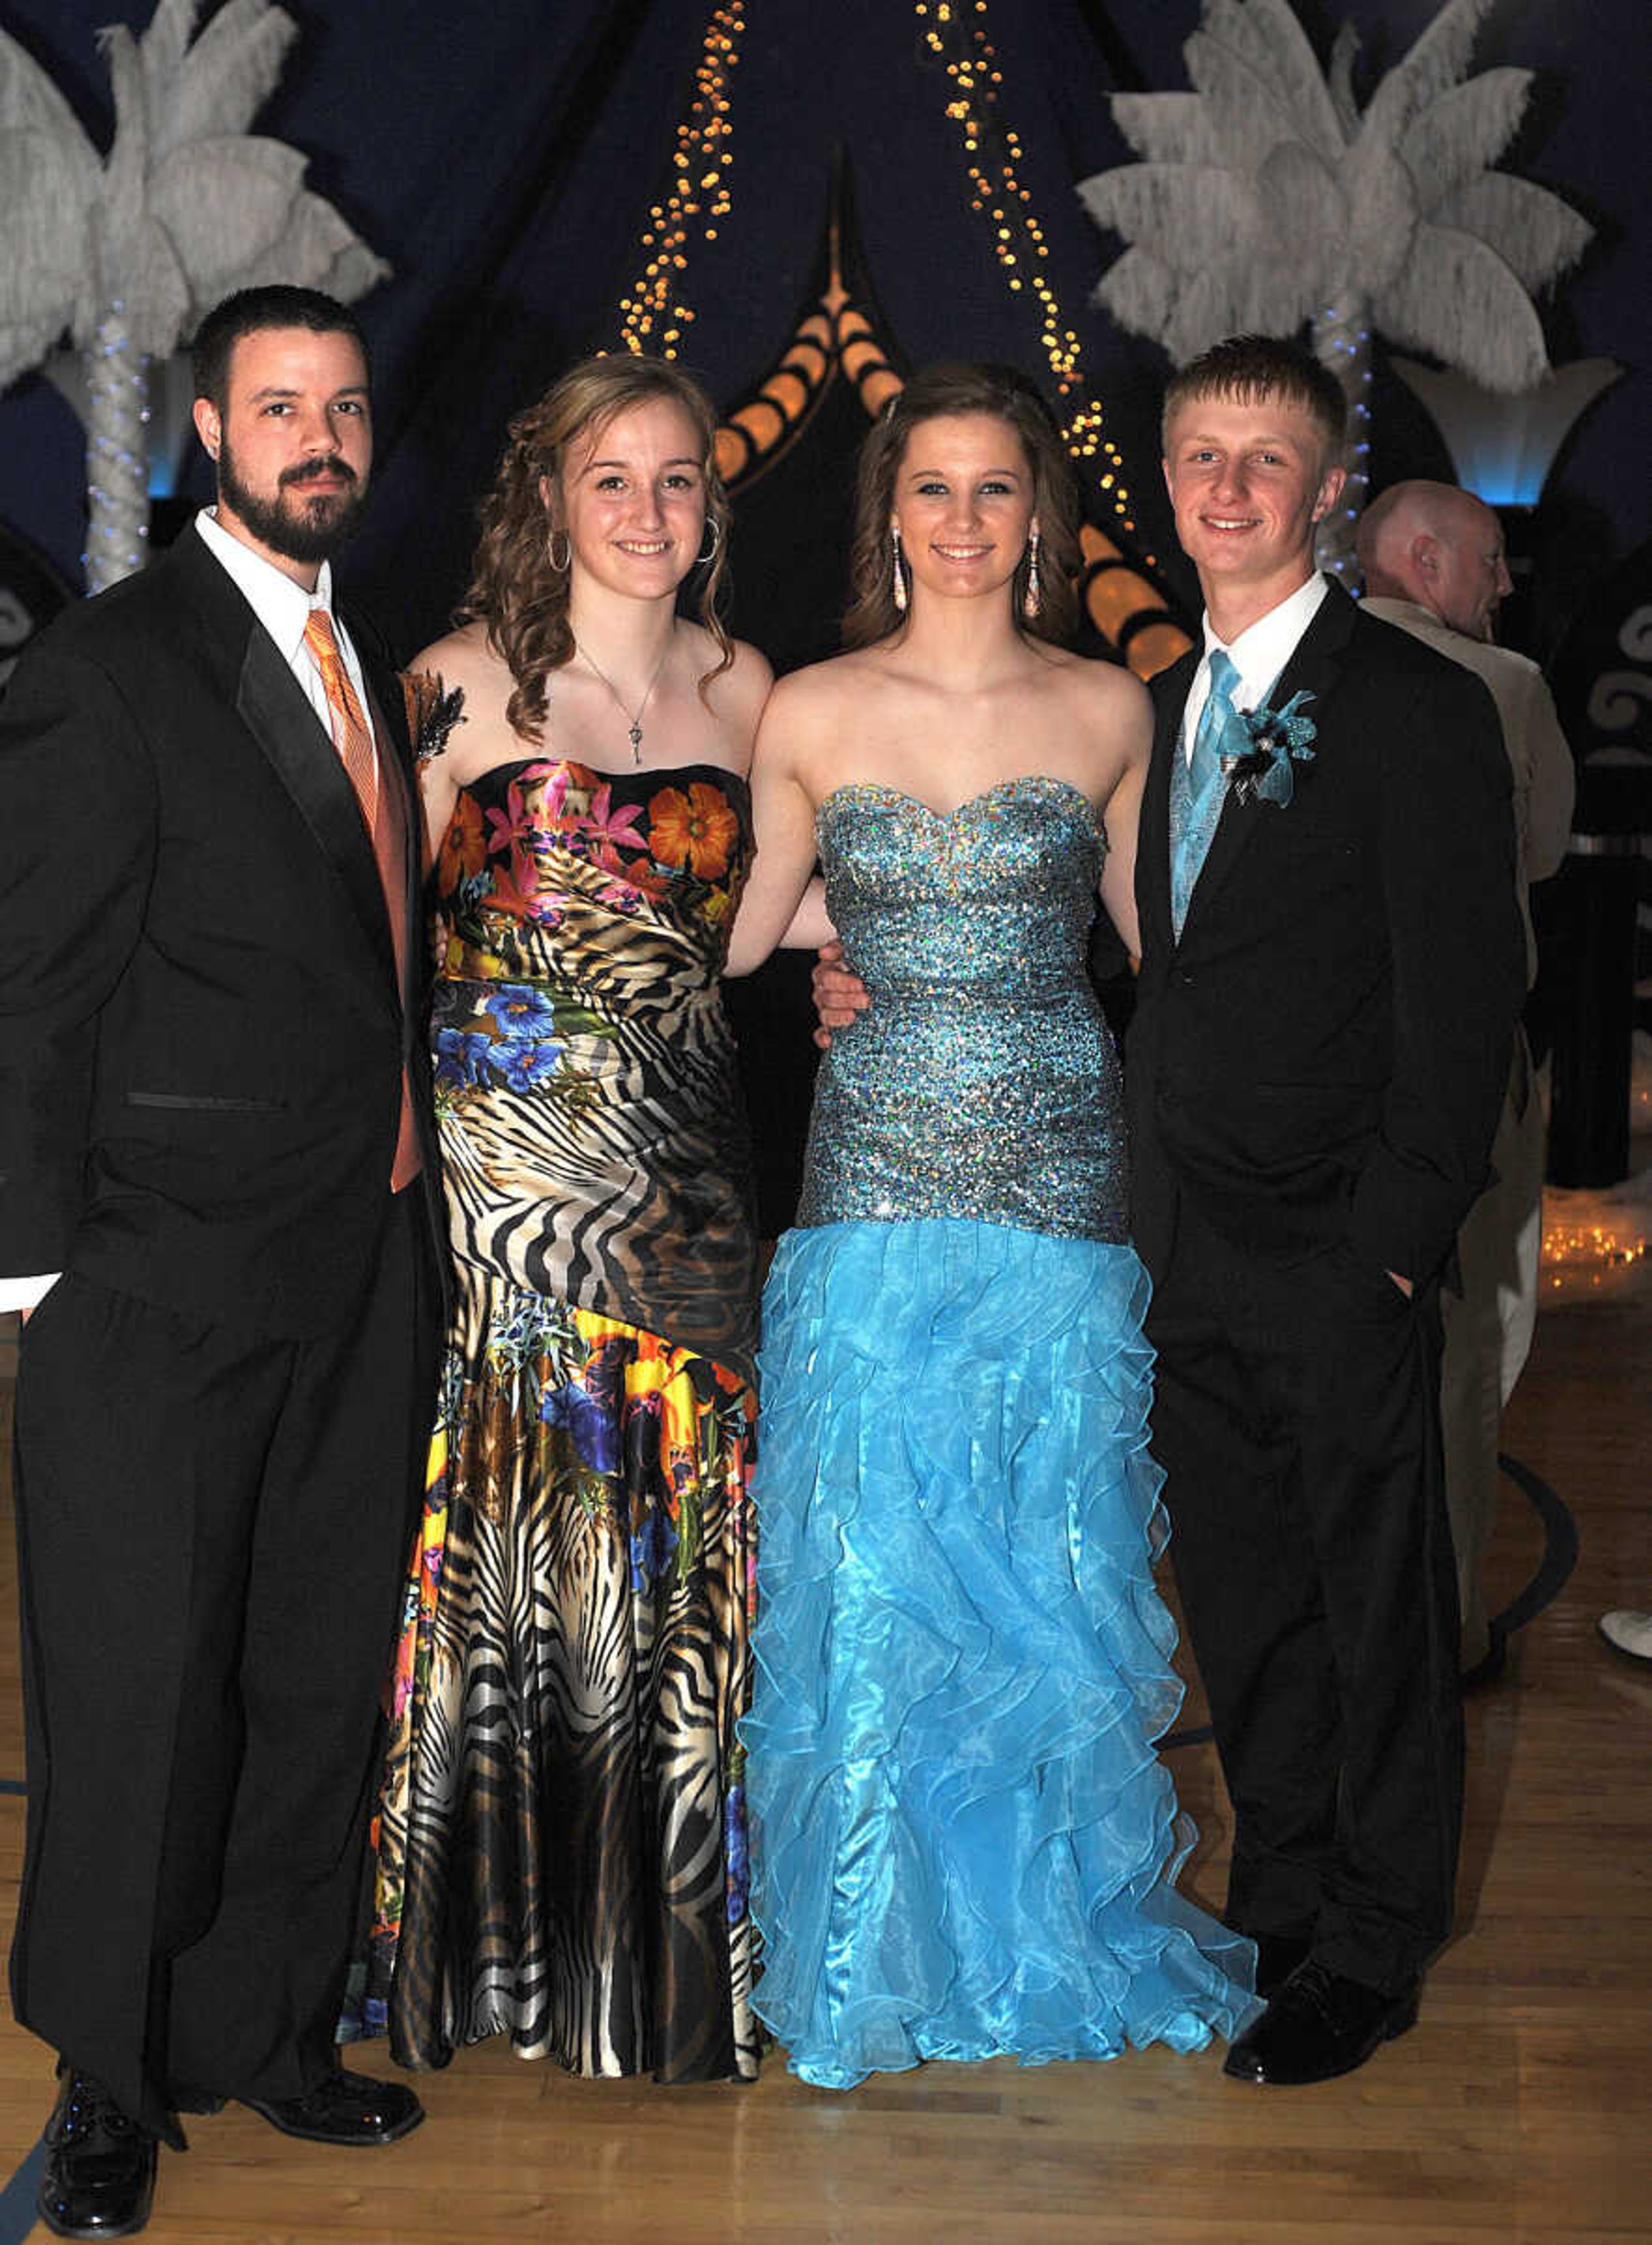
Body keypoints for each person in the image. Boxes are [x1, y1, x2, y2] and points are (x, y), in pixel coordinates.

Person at [816, 339, 1527, 2090]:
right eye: (1198, 458)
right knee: (1247, 1597)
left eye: (1263, 462)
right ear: (1164, 477)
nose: (1225, 492)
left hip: (1339, 1249)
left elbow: (1469, 1011)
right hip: (1176, 1247)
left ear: (1324, 487)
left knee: (1374, 1609)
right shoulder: (1168, 699)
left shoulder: (1419, 707)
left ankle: (1372, 1941)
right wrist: (867, 974)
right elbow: (1157, 973)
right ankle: (1286, 1895)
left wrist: (1392, 1245)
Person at [724, 362, 1259, 2091]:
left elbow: (1173, 942)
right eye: (934, 491)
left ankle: (1042, 1929)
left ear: (1041, 520)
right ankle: (874, 1941)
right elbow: (733, 934)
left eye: (996, 493)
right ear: (890, 511)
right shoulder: (805, 706)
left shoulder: (1112, 708)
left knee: (1046, 1565)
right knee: (878, 1562)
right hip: (873, 1172)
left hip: (1057, 1177)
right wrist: (827, 949)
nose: (964, 524)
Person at [0, 286, 444, 2241]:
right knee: (137, 1698)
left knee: (309, 1671)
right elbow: (32, 996)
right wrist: (30, 1288)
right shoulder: (111, 671)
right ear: (204, 429)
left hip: (363, 1266)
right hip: (154, 1287)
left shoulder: (368, 658)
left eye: (343, 407)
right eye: (281, 409)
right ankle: (105, 2078)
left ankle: (269, 2027)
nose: (318, 439)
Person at [363, 356, 774, 2083]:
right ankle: (495, 1966)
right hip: (508, 1194)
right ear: (551, 494)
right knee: (515, 1563)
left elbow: (765, 927)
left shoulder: (755, 689)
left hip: (685, 1185)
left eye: (679, 481)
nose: (649, 513)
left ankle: (661, 1966)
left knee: (675, 1587)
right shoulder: (457, 684)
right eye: (614, 480)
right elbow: (370, 927)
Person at [1358, 479, 1576, 1681]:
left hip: (1326, 1077)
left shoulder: (1288, 673)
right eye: (1490, 562)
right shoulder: (1508, 687)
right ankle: (1443, 1627)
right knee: (1470, 1343)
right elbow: (1540, 855)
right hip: (1461, 1077)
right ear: (1427, 560)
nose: (1504, 587)